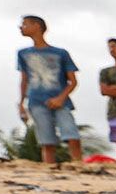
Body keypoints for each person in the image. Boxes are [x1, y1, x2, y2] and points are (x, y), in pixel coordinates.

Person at [17, 15, 82, 165]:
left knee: (71, 134)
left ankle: (78, 165)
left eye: (25, 24)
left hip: (61, 102)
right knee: (46, 141)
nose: (21, 27)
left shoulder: (61, 53)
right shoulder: (23, 54)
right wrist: (21, 103)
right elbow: (24, 80)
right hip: (36, 101)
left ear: (37, 26)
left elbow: (73, 81)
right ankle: (49, 169)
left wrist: (60, 98)